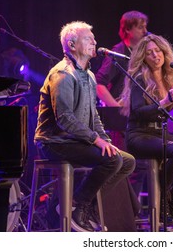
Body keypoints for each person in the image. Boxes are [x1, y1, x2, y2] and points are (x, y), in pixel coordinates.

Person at [34, 21, 135, 232]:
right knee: (112, 160)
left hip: (75, 140)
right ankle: (76, 206)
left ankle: (82, 206)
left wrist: (105, 141)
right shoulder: (62, 74)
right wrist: (95, 140)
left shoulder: (88, 75)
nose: (95, 42)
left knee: (127, 161)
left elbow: (93, 115)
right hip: (55, 141)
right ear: (72, 44)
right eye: (89, 39)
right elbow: (65, 119)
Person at [119, 34, 173, 223]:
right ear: (143, 57)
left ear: (165, 53)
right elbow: (139, 112)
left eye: (158, 51)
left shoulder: (170, 77)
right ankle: (163, 197)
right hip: (139, 135)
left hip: (160, 133)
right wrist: (164, 102)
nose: (155, 56)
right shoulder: (139, 78)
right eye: (150, 53)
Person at [96, 10, 149, 198]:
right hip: (122, 121)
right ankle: (125, 214)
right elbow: (98, 83)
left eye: (145, 26)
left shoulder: (142, 53)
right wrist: (116, 109)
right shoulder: (118, 52)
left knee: (141, 166)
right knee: (130, 166)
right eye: (140, 27)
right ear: (127, 29)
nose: (145, 30)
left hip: (138, 115)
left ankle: (136, 212)